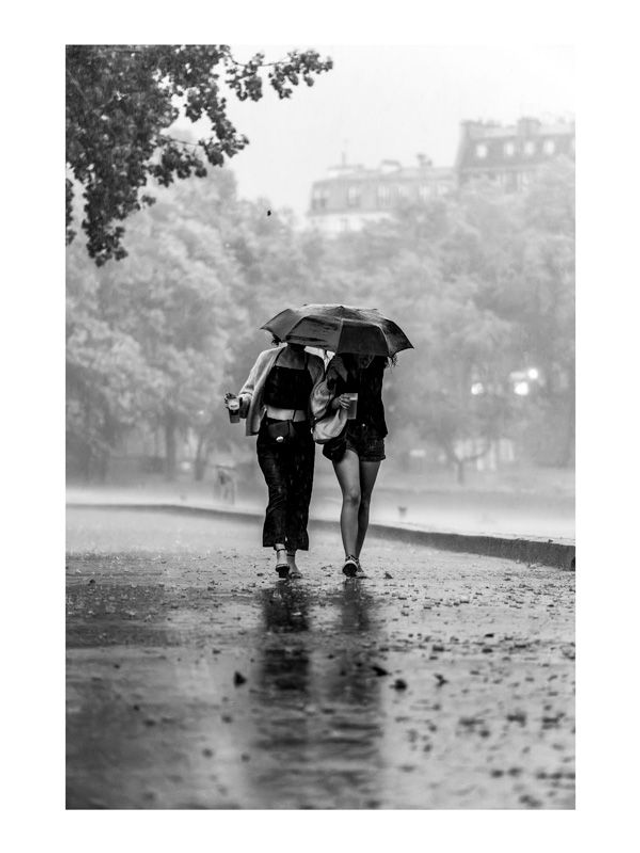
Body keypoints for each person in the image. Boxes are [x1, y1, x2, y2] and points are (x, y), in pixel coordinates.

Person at [225, 338, 325, 578]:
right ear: (285, 335)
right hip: (271, 435)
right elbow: (249, 392)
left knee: (299, 496)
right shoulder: (268, 358)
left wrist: (329, 391)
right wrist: (237, 404)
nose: (300, 340)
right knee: (278, 490)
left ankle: (291, 557)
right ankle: (279, 549)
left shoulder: (315, 364)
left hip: (301, 437)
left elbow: (320, 403)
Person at [311, 352, 394, 578]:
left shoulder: (379, 360)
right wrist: (336, 401)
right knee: (353, 495)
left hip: (374, 432)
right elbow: (321, 396)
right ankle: (349, 557)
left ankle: (355, 559)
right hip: (346, 433)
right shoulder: (340, 362)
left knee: (365, 499)